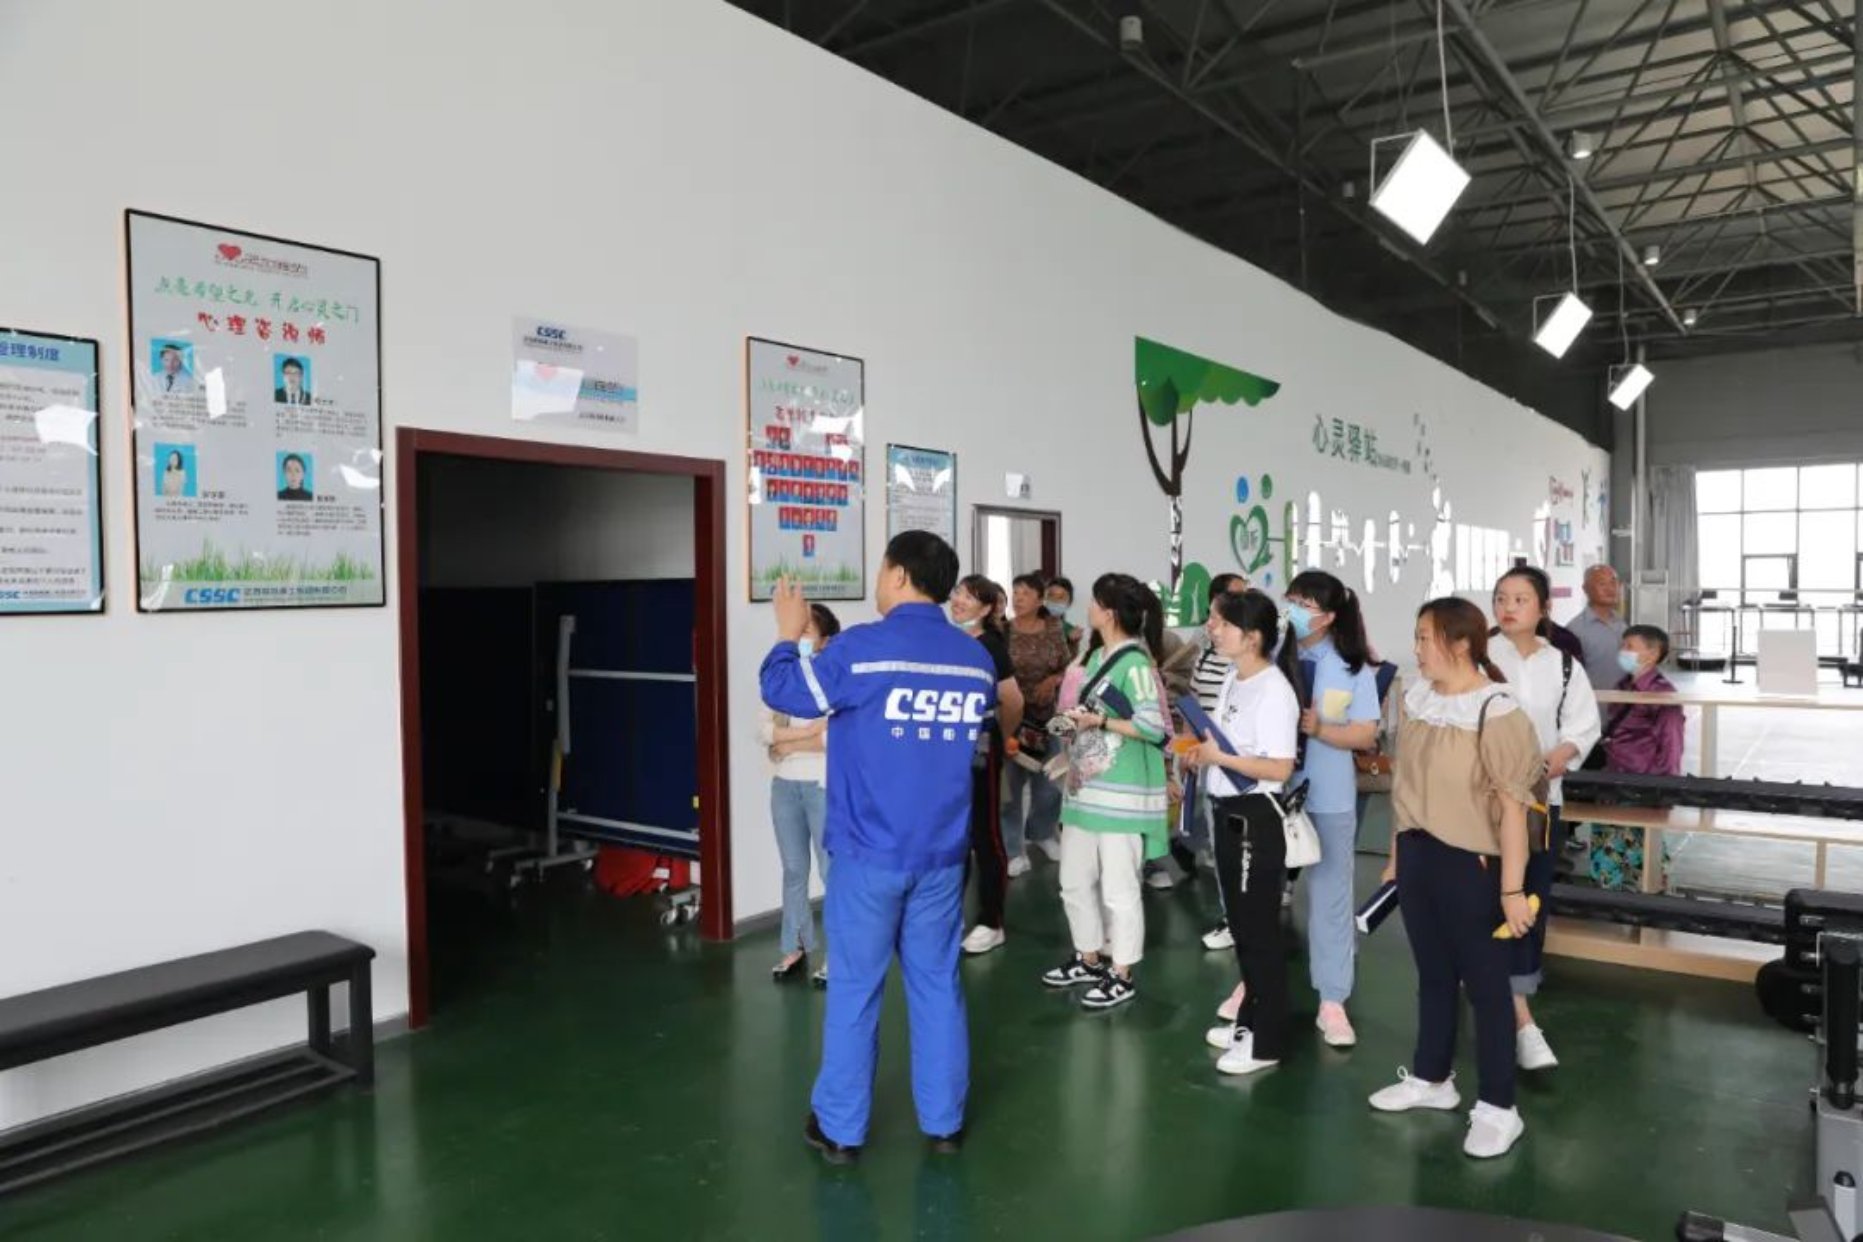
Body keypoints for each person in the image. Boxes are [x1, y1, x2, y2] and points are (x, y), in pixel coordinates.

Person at [759, 532, 997, 1164]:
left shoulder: (862, 648)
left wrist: (788, 633)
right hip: (941, 856)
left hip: (868, 854)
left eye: (882, 568)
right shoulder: (973, 660)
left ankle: (841, 1130)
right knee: (938, 985)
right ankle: (944, 1123)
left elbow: (784, 691)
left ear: (897, 575)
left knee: (856, 989)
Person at [1370, 597, 1543, 1160]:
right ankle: (1431, 1078)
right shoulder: (1418, 700)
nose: (1417, 648)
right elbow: (1404, 790)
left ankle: (1499, 1107)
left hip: (1474, 865)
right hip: (1418, 855)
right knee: (1433, 975)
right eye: (1418, 636)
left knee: (1488, 989)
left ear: (1462, 644)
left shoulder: (1496, 710)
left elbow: (1513, 809)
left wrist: (1512, 890)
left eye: (1426, 637)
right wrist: (1397, 855)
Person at [1489, 566, 1600, 1071]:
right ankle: (1514, 1014)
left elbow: (1583, 725)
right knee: (1483, 896)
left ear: (1543, 608)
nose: (1508, 607)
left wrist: (1563, 753)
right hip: (1481, 802)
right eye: (1501, 598)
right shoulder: (1480, 656)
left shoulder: (1563, 665)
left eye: (1520, 599)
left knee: (1529, 898)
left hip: (1539, 803)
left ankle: (1518, 1001)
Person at [1040, 574, 1169, 1011]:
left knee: (1119, 889)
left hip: (1122, 797)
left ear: (1109, 613)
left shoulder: (1136, 665)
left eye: (1094, 601)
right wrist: (1075, 724)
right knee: (1073, 882)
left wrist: (1100, 722)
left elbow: (1152, 726)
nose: (1088, 608)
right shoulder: (1095, 658)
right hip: (1084, 792)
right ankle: (1089, 957)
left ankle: (1122, 973)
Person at [1189, 589, 1301, 1075]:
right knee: (1241, 927)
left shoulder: (1274, 690)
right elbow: (1225, 743)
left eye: (1223, 623)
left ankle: (1267, 1042)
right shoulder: (1236, 678)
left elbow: (1279, 767)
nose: (1213, 629)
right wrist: (1202, 754)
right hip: (1227, 811)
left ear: (1252, 637)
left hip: (1255, 817)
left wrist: (1220, 758)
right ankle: (1249, 1022)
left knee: (1259, 933)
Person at [1280, 569, 1380, 1048]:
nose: (1294, 610)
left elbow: (1365, 733)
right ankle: (1250, 986)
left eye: (1305, 604)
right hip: (1274, 791)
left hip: (1329, 795)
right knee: (1259, 897)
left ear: (1329, 616)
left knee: (1331, 896)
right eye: (1292, 599)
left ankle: (1333, 998)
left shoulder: (1351, 667)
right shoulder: (1273, 658)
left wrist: (1320, 729)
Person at [760, 604, 842, 987]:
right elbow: (764, 731)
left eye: (807, 630)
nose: (799, 635)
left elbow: (835, 737)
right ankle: (794, 946)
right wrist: (807, 734)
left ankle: (838, 954)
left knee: (830, 871)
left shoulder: (836, 677)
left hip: (822, 785)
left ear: (825, 640)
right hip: (784, 785)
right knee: (794, 870)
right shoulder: (783, 675)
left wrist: (787, 742)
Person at [951, 575, 1025, 956]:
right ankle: (952, 917)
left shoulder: (990, 646)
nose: (958, 600)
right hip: (950, 750)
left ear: (986, 608)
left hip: (981, 750)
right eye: (957, 593)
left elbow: (1012, 701)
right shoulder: (951, 640)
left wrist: (1002, 737)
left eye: (969, 596)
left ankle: (992, 922)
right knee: (955, 834)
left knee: (985, 833)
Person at [1590, 624, 1685, 891]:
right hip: (1613, 781)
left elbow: (1672, 743)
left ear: (1652, 653)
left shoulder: (1663, 694)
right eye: (1622, 645)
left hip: (1642, 785)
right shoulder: (1623, 686)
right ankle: (1612, 900)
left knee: (1641, 846)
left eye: (1629, 646)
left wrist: (1666, 788)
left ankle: (1647, 899)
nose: (1623, 651)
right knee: (1610, 844)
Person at [1002, 573, 1071, 873]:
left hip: (1047, 718)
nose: (1018, 598)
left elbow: (1067, 667)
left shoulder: (1053, 628)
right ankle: (1013, 850)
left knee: (1051, 784)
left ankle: (1041, 833)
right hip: (1012, 718)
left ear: (1039, 599)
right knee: (1011, 789)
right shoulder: (1003, 630)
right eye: (1015, 592)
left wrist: (1052, 680)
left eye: (1025, 593)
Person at [1568, 565, 1628, 689]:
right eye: (1602, 584)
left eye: (1613, 583)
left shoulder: (1621, 624)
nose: (1610, 589)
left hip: (1625, 699)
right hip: (1593, 700)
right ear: (1585, 589)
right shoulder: (1575, 630)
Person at [1043, 576, 1083, 652]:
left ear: (1069, 603)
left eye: (1061, 597)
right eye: (1051, 595)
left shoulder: (1070, 630)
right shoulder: (1031, 623)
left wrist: (1072, 642)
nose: (1055, 600)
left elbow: (1072, 657)